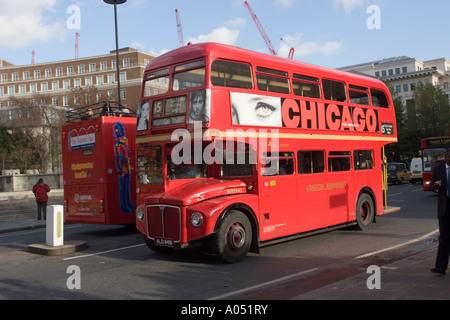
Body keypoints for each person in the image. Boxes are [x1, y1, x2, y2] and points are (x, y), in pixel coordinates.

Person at [430, 150, 450, 275]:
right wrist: (436, 185)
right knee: (444, 238)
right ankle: (440, 266)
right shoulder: (438, 169)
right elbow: (432, 186)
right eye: (449, 157)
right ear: (445, 157)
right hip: (445, 207)